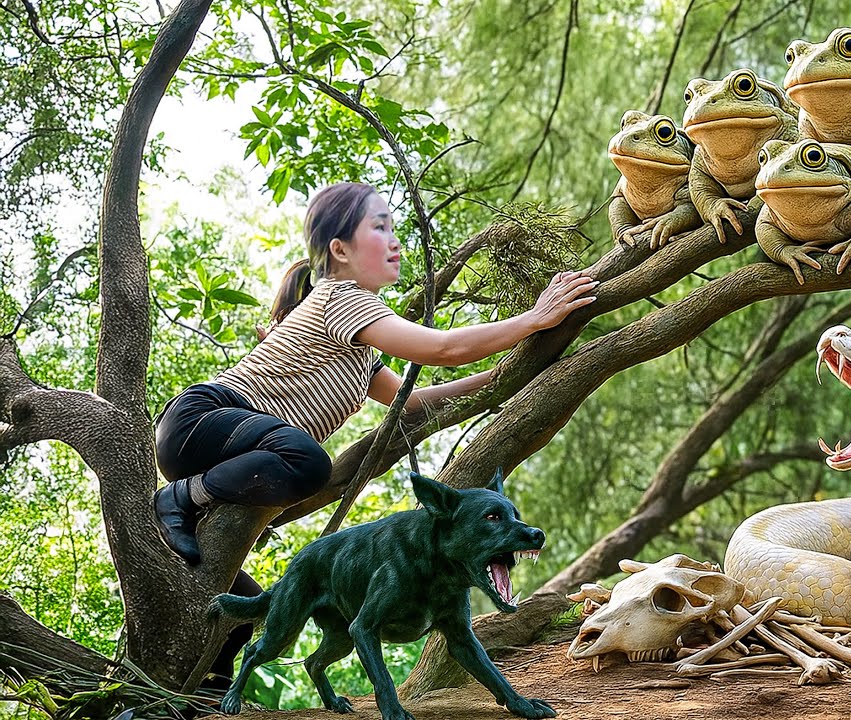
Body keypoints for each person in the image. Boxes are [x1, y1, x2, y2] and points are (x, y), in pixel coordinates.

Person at [151, 181, 597, 687]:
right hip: (200, 420)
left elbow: (418, 400)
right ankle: (180, 497)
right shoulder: (341, 297)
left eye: (394, 227)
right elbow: (443, 348)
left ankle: (199, 693)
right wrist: (535, 318)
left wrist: (509, 377)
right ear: (339, 251)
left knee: (234, 618)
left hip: (227, 445)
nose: (396, 240)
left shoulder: (359, 350)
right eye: (379, 227)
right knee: (309, 461)